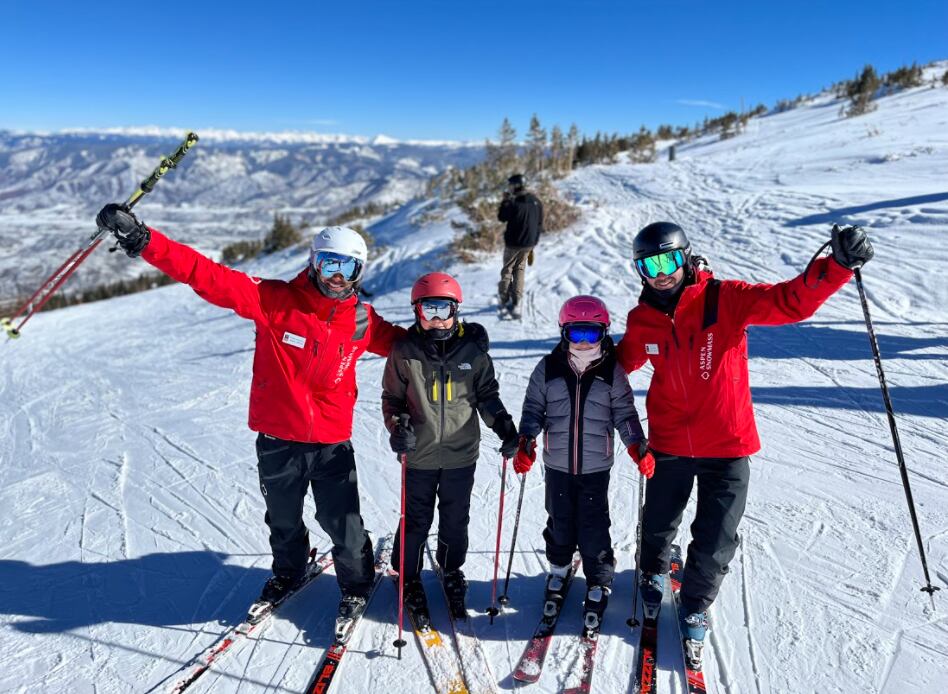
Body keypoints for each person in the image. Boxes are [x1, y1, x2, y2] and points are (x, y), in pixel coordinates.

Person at [94, 204, 407, 632]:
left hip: (331, 442)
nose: (337, 275)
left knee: (343, 522)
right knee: (282, 518)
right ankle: (289, 572)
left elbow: (411, 347)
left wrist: (456, 342)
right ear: (313, 264)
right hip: (278, 438)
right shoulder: (274, 301)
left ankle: (357, 582)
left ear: (359, 271)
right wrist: (145, 240)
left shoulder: (360, 320)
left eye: (346, 266)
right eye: (328, 263)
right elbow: (206, 275)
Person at [616, 221, 874, 666]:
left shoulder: (725, 298)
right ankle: (653, 574)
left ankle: (696, 604)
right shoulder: (642, 319)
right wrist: (580, 357)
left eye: (669, 260)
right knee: (657, 523)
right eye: (649, 264)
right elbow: (622, 364)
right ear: (639, 269)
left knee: (716, 538)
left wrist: (836, 266)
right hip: (670, 442)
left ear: (685, 257)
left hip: (728, 445)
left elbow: (788, 302)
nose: (661, 273)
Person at [381, 272, 519, 622]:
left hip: (461, 453)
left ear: (456, 309)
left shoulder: (473, 351)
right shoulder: (404, 351)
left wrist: (503, 426)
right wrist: (398, 429)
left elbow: (486, 395)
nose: (437, 318)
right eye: (429, 310)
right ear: (417, 312)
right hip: (420, 454)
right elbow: (392, 399)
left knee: (455, 519)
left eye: (444, 309)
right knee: (415, 520)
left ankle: (450, 569)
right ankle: (408, 576)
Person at [514, 295, 651, 633]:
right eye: (578, 334)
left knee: (592, 525)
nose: (585, 342)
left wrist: (636, 444)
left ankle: (599, 579)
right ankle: (559, 570)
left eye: (593, 334)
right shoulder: (547, 368)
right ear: (565, 333)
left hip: (594, 466)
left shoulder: (612, 372)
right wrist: (526, 441)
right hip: (557, 463)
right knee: (559, 519)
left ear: (604, 332)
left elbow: (625, 413)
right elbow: (533, 409)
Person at [497, 173, 544, 319]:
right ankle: (516, 302)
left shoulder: (513, 202)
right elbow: (539, 223)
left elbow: (501, 217)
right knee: (520, 270)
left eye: (511, 185)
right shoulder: (536, 202)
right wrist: (534, 243)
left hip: (513, 244)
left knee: (507, 271)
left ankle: (504, 301)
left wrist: (505, 201)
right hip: (528, 244)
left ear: (516, 186)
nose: (509, 188)